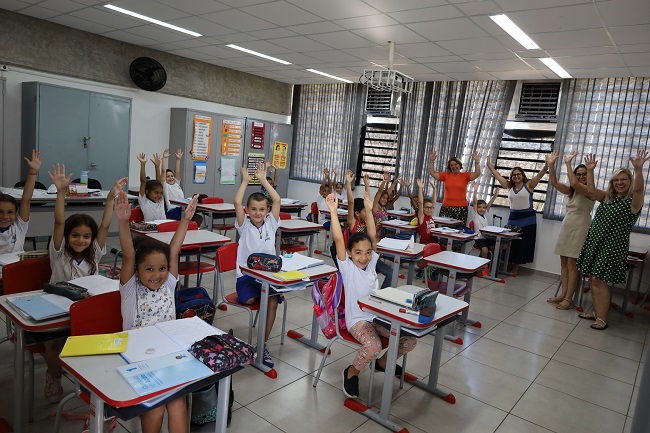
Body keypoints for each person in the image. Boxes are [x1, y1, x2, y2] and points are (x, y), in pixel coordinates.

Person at [115, 190, 198, 433]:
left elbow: (174, 250)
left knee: (177, 403)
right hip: (138, 357)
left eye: (162, 269)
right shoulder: (130, 290)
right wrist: (122, 221)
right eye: (149, 269)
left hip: (169, 353)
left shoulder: (169, 284)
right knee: (156, 407)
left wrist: (185, 220)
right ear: (137, 269)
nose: (157, 275)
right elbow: (129, 253)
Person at [45, 163, 126, 403]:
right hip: (57, 308)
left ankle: (95, 380)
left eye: (86, 236)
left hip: (86, 308)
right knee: (53, 343)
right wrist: (61, 192)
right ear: (67, 237)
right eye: (75, 235)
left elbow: (104, 225)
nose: (81, 240)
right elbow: (59, 222)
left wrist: (110, 197)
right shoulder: (59, 253)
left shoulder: (95, 253)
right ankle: (54, 375)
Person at [325, 191, 416, 399]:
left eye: (367, 252)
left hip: (376, 316)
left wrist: (368, 209)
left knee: (409, 340)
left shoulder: (372, 262)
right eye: (358, 252)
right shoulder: (348, 268)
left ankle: (382, 364)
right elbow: (339, 239)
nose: (364, 257)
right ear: (349, 253)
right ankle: (352, 372)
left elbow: (372, 237)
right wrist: (332, 211)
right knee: (374, 346)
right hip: (357, 320)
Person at [577, 151, 649, 330]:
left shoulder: (633, 202)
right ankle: (596, 312)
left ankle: (602, 318)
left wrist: (638, 169)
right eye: (616, 180)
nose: (619, 182)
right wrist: (591, 171)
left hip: (612, 246)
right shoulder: (608, 198)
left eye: (624, 179)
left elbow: (640, 189)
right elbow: (591, 192)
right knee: (593, 278)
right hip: (596, 241)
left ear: (630, 182)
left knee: (598, 281)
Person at [234, 162, 282, 367]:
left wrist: (264, 180)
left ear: (267, 211)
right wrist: (245, 182)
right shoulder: (244, 226)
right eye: (253, 209)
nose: (257, 213)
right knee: (252, 299)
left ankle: (262, 345)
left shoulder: (272, 223)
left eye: (261, 209)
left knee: (271, 301)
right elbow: (236, 202)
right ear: (247, 210)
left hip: (268, 277)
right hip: (246, 278)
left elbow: (277, 199)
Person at [545, 151, 596, 310]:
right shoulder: (572, 191)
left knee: (572, 264)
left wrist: (568, 163)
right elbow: (554, 182)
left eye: (584, 174)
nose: (581, 176)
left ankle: (568, 298)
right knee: (564, 262)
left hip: (581, 226)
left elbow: (574, 184)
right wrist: (551, 165)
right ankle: (563, 293)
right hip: (568, 224)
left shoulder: (591, 191)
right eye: (578, 174)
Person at [329, 170, 392, 288]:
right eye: (364, 211)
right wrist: (348, 184)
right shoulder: (353, 222)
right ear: (357, 213)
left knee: (390, 272)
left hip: (367, 256)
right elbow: (351, 202)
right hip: (355, 257)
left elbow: (367, 203)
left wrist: (367, 186)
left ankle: (380, 296)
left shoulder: (366, 222)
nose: (367, 212)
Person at [486, 156, 548, 275]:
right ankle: (506, 263)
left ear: (523, 175)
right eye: (514, 175)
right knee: (509, 242)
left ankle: (516, 266)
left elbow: (540, 175)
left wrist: (546, 166)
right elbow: (498, 176)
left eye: (518, 174)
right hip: (514, 217)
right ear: (512, 177)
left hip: (527, 219)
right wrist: (489, 166)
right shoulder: (509, 186)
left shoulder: (529, 185)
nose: (516, 176)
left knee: (522, 244)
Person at [0, 150, 42, 257]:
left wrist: (33, 172)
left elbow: (26, 200)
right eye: (0, 212)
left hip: (15, 269)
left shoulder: (18, 227)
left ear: (16, 213)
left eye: (10, 212)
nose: (5, 216)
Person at [429, 150, 481, 224]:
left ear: (460, 165)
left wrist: (477, 162)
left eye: (456, 164)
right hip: (446, 207)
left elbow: (477, 173)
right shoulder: (446, 175)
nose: (454, 166)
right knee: (444, 229)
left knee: (459, 231)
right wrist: (432, 161)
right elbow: (432, 173)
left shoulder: (465, 176)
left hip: (461, 208)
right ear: (449, 167)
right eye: (451, 165)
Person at [160, 148, 203, 227]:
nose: (171, 178)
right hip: (173, 210)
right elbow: (163, 171)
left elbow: (177, 171)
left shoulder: (176, 184)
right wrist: (164, 158)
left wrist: (178, 159)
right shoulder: (165, 186)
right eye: (168, 176)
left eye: (172, 176)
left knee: (199, 218)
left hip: (183, 208)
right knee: (187, 219)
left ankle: (190, 232)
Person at [471, 181, 500, 261]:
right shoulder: (475, 215)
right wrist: (475, 190)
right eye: (479, 207)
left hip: (487, 237)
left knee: (502, 245)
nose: (481, 209)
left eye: (483, 207)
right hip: (479, 238)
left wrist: (495, 195)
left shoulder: (485, 214)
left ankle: (493, 263)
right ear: (476, 208)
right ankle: (483, 266)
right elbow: (474, 202)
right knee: (485, 250)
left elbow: (490, 204)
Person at [137, 152, 165, 221]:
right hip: (150, 230)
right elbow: (143, 181)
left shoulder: (160, 201)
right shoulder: (144, 201)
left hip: (163, 229)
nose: (159, 195)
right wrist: (142, 164)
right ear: (148, 192)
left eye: (161, 193)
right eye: (156, 193)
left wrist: (157, 166)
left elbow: (159, 182)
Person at [372, 171, 391, 238]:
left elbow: (389, 190)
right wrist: (384, 181)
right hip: (376, 233)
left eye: (386, 198)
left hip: (384, 232)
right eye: (383, 197)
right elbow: (380, 191)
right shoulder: (375, 206)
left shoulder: (384, 208)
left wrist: (394, 182)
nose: (385, 200)